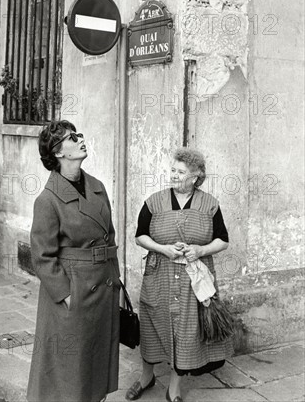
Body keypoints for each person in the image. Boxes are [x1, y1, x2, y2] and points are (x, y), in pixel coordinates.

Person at [126, 148, 232, 402]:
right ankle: (146, 377)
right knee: (152, 326)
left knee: (186, 332)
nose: (174, 175)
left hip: (193, 279)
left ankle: (174, 387)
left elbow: (223, 240)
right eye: (173, 170)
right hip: (159, 274)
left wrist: (201, 249)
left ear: (195, 177)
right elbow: (140, 235)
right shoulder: (154, 201)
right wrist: (163, 248)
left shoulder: (210, 204)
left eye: (181, 172)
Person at [27, 120, 120, 402]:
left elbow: (109, 236)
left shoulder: (97, 186)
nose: (80, 140)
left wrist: (114, 277)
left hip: (103, 287)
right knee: (70, 369)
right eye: (71, 138)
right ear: (58, 152)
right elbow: (42, 256)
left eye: (78, 134)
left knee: (95, 363)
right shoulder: (48, 199)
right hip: (75, 291)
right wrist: (68, 295)